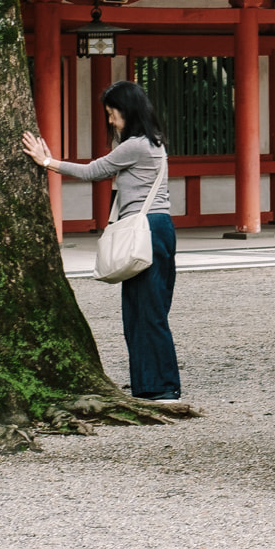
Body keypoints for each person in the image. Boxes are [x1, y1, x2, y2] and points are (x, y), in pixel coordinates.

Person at [21, 81, 182, 403]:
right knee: (144, 309)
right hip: (158, 227)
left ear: (128, 110)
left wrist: (46, 162)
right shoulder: (154, 142)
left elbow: (95, 171)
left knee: (145, 311)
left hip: (145, 227)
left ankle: (163, 386)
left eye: (113, 113)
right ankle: (149, 383)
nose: (110, 120)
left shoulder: (136, 145)